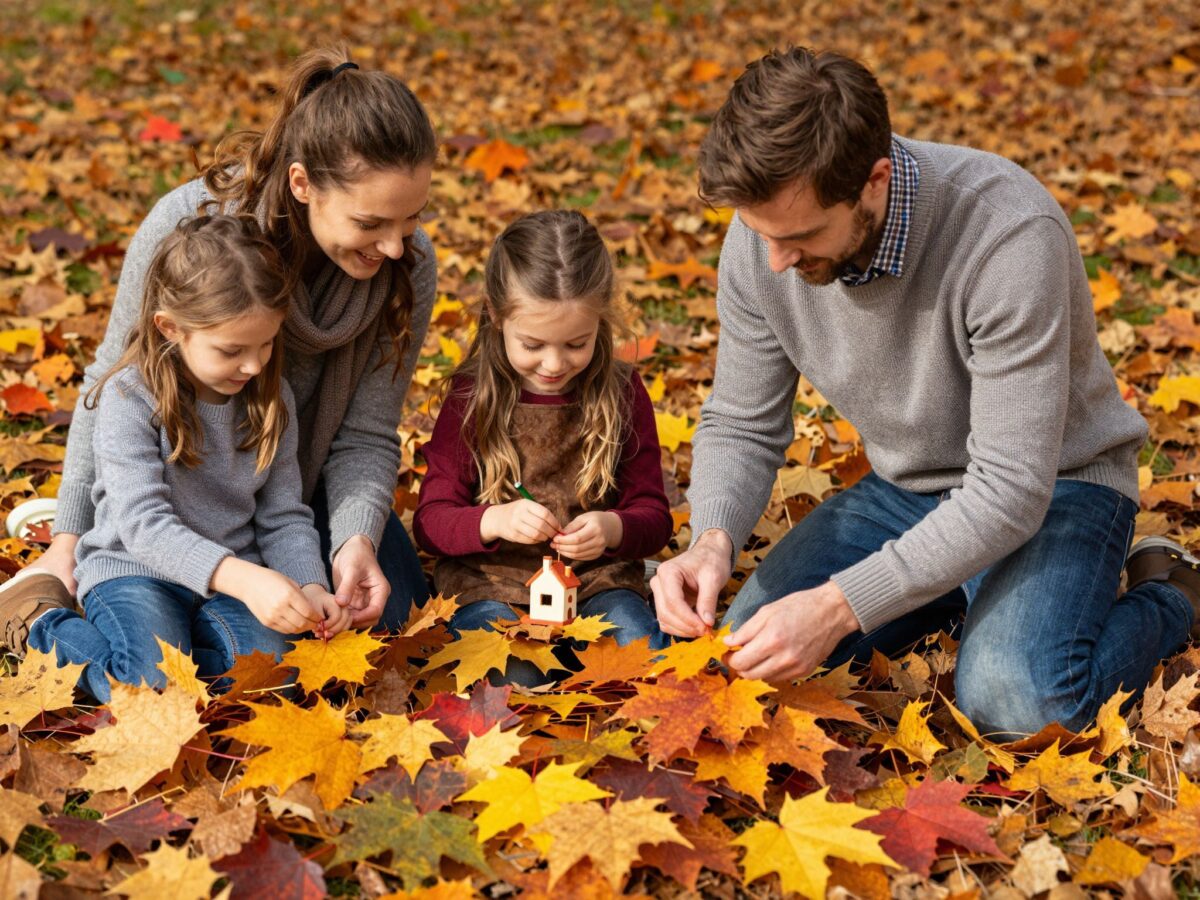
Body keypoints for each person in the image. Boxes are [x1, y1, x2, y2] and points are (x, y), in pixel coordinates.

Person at [651, 47, 1196, 738]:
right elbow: (739, 421)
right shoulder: (766, 236)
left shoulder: (1006, 235)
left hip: (1057, 486)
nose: (776, 262)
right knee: (743, 659)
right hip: (905, 493)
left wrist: (840, 605)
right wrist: (712, 540)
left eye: (800, 237)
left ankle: (1171, 591)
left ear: (874, 180)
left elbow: (1008, 491)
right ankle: (953, 592)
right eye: (762, 235)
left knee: (1016, 705)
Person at [29, 48, 438, 630]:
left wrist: (354, 541)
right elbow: (112, 374)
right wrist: (67, 543)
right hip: (172, 485)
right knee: (153, 643)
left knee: (387, 622)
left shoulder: (408, 267)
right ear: (302, 183)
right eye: (370, 224)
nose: (396, 246)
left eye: (412, 218)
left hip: (286, 501)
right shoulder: (191, 223)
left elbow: (366, 434)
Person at [0, 215, 349, 700]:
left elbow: (283, 516)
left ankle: (181, 660)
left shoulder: (273, 399)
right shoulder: (131, 397)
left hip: (232, 582)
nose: (253, 365)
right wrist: (244, 579)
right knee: (150, 687)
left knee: (274, 680)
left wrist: (310, 585)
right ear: (171, 328)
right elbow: (142, 524)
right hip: (134, 570)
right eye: (232, 350)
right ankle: (39, 621)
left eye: (266, 343)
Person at [414, 210, 672, 685]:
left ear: (601, 319)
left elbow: (653, 514)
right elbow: (430, 522)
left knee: (643, 664)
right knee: (513, 680)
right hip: (490, 587)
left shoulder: (621, 392)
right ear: (495, 315)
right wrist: (494, 520)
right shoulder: (474, 397)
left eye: (577, 343)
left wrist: (614, 528)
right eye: (532, 344)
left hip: (598, 583)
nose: (554, 364)